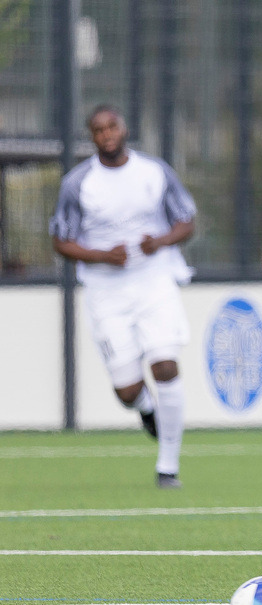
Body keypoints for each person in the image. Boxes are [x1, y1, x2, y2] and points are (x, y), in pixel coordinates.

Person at [49, 104, 196, 489]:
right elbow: (60, 241)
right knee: (128, 390)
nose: (107, 134)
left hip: (154, 281)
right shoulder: (78, 184)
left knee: (165, 364)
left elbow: (187, 221)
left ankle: (168, 468)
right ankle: (145, 407)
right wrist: (102, 256)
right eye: (98, 130)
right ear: (92, 137)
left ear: (124, 128)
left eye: (112, 126)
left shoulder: (154, 172)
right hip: (106, 292)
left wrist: (159, 242)